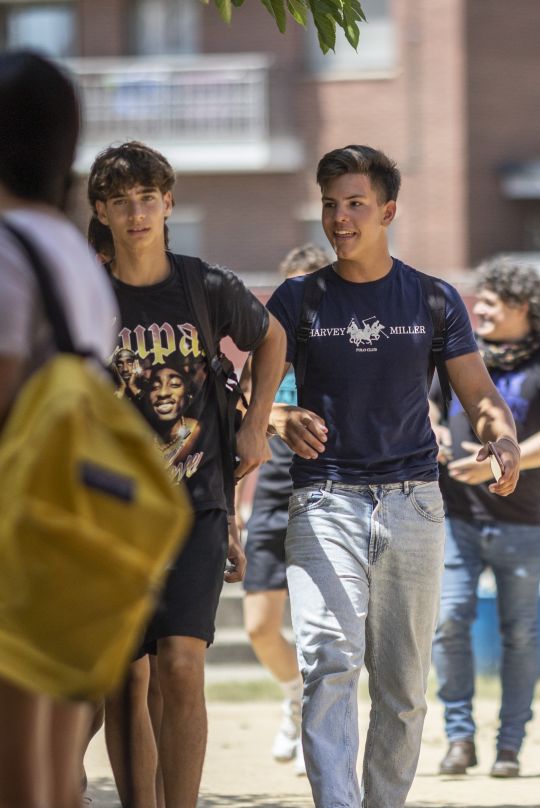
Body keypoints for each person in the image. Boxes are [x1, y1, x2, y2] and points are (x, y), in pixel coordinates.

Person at [265, 144, 520, 808]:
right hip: (324, 500)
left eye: (355, 204)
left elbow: (479, 395)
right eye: (329, 205)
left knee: (404, 688)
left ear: (388, 211)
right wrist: (278, 417)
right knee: (329, 661)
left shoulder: (433, 298)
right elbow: (251, 396)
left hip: (414, 504)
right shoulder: (296, 300)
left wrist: (503, 437)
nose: (340, 218)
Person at [88, 140, 286, 808]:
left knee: (180, 664)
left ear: (168, 204)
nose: (137, 212)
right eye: (122, 201)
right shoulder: (87, 295)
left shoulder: (206, 285)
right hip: (110, 514)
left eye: (148, 198)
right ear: (103, 211)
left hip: (195, 505)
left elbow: (272, 337)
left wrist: (257, 420)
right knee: (125, 680)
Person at [0, 50, 118, 808]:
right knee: (53, 776)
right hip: (76, 531)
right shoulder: (73, 252)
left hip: (17, 538)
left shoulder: (8, 251)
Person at [430, 258, 540, 778]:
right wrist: (436, 436)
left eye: (490, 302)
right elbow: (430, 407)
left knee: (520, 634)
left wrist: (503, 459)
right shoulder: (460, 355)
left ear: (521, 306)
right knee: (449, 622)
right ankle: (459, 737)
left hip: (522, 522)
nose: (478, 309)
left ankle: (510, 745)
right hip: (456, 518)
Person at [239, 243, 329, 778]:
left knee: (316, 625)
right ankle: (293, 695)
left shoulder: (339, 342)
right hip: (272, 486)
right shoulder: (267, 346)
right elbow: (244, 417)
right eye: (293, 286)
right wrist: (237, 508)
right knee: (258, 626)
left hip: (325, 482)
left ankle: (314, 727)